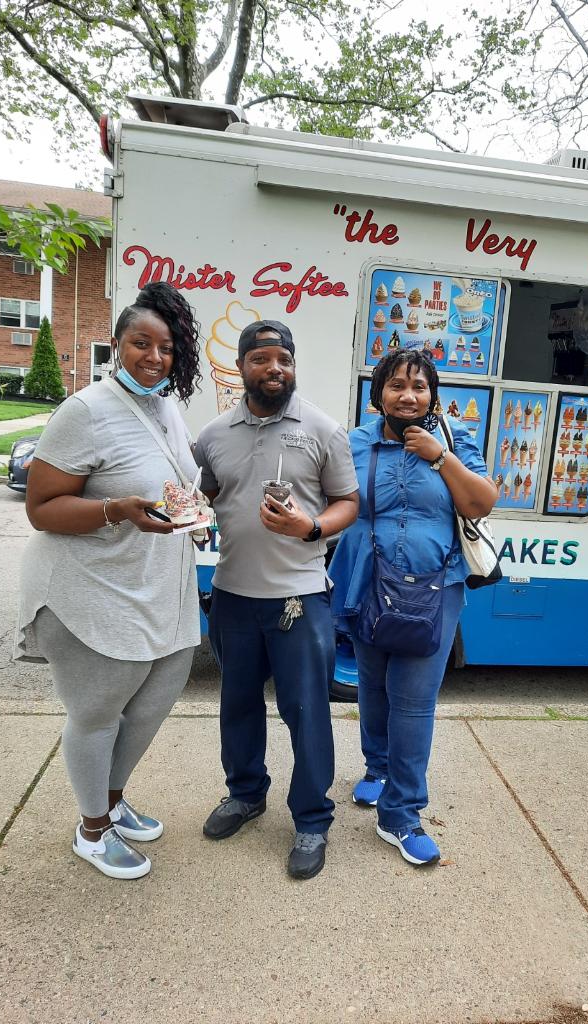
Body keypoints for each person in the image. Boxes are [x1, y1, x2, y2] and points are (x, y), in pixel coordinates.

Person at [15, 282, 203, 880]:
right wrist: (114, 509)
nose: (155, 357)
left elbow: (173, 481)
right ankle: (92, 830)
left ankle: (113, 801)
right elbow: (42, 508)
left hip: (161, 586)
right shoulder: (85, 410)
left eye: (166, 348)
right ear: (117, 343)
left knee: (152, 704)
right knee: (97, 715)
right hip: (91, 590)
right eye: (141, 343)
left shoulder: (166, 407)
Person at [194, 320, 359, 880]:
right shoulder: (213, 434)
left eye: (283, 359)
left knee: (306, 712)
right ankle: (245, 794)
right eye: (262, 359)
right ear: (241, 366)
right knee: (238, 704)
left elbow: (348, 502)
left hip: (299, 598)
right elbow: (206, 493)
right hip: (233, 595)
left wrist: (311, 527)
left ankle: (311, 820)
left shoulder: (323, 429)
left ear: (293, 366)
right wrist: (191, 515)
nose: (274, 369)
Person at [329, 350, 498, 867]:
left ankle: (402, 813)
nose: (408, 396)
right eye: (396, 385)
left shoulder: (454, 439)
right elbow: (331, 501)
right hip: (366, 584)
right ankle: (377, 769)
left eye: (419, 387)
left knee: (413, 701)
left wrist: (438, 456)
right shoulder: (354, 442)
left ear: (433, 395)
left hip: (434, 590)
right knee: (372, 686)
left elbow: (482, 502)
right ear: (377, 394)